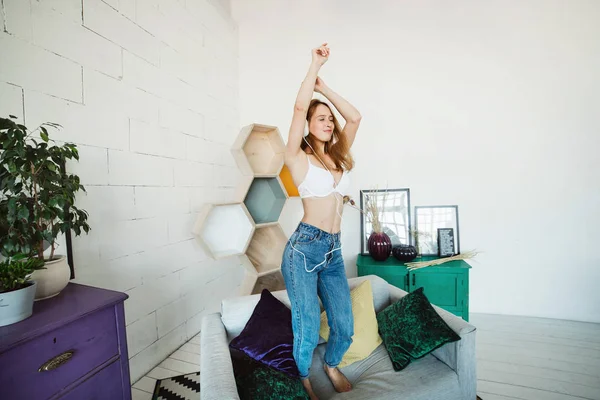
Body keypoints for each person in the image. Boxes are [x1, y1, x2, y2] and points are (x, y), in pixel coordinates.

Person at [281, 42, 362, 400]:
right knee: (308, 325)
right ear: (309, 126)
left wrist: (325, 91)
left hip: (332, 249)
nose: (329, 123)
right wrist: (313, 67)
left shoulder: (340, 157)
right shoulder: (298, 158)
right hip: (303, 249)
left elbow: (356, 117)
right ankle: (303, 376)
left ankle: (331, 364)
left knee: (344, 326)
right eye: (321, 118)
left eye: (330, 118)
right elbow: (299, 106)